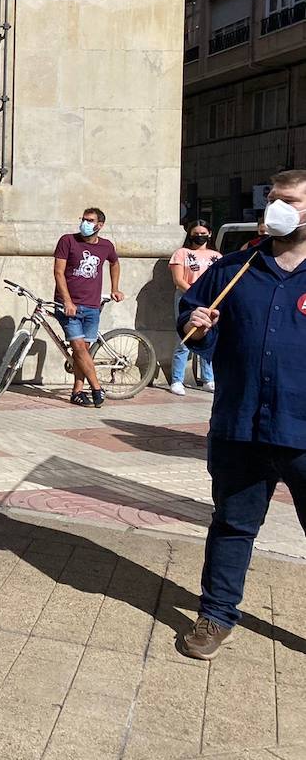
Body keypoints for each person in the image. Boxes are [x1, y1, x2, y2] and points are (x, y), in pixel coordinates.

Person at [177, 169, 306, 661]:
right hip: (240, 424)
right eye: (273, 199)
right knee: (233, 524)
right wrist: (196, 323)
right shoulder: (234, 268)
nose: (278, 208)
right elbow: (197, 335)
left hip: (302, 429)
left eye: (289, 200)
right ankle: (216, 614)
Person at [53, 206, 123, 408]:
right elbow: (58, 272)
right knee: (78, 347)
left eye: (90, 220)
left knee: (83, 351)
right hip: (69, 305)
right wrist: (66, 301)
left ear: (100, 225)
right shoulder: (67, 240)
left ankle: (77, 391)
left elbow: (115, 263)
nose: (85, 223)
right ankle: (96, 387)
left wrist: (115, 287)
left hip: (92, 305)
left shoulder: (106, 246)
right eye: (83, 219)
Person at [168, 219, 220, 396]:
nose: (199, 237)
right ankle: (176, 379)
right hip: (187, 298)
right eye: (196, 234)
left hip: (211, 301)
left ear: (210, 234)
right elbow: (178, 280)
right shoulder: (181, 253)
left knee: (208, 335)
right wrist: (196, 294)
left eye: (203, 233)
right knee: (184, 339)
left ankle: (208, 378)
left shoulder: (216, 256)